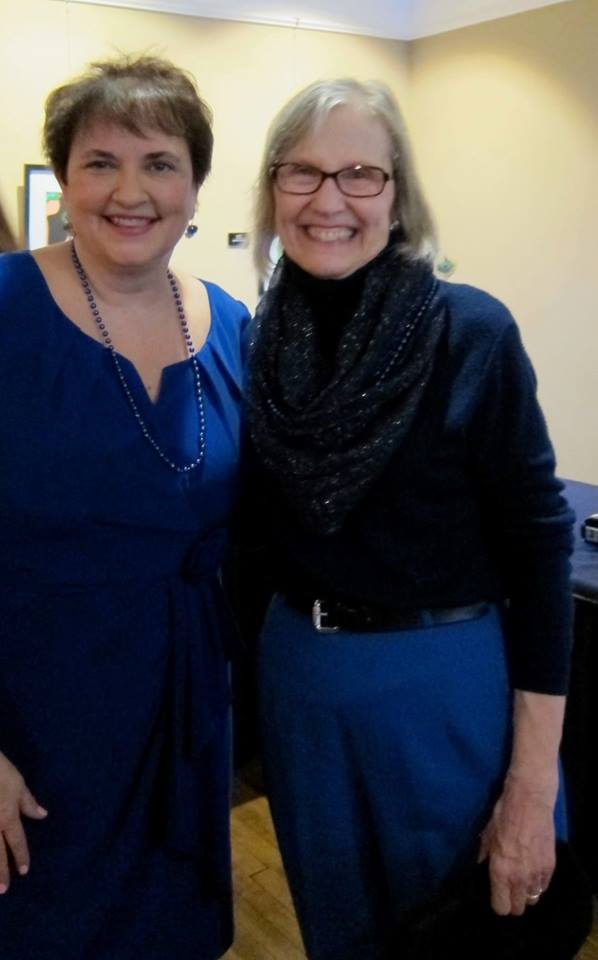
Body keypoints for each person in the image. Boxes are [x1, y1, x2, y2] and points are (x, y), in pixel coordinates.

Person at [246, 78, 575, 960]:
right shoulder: (252, 341)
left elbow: (543, 552)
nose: (330, 200)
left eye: (360, 173)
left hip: (442, 688)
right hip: (301, 689)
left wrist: (534, 784)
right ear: (271, 193)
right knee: (338, 932)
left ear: (398, 197)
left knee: (465, 933)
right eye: (303, 173)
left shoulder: (470, 333)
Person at [0, 55, 248, 959]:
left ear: (195, 185)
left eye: (160, 162)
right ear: (63, 182)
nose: (130, 191)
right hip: (36, 722)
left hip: (187, 713)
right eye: (101, 162)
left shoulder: (231, 322)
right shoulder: (5, 308)